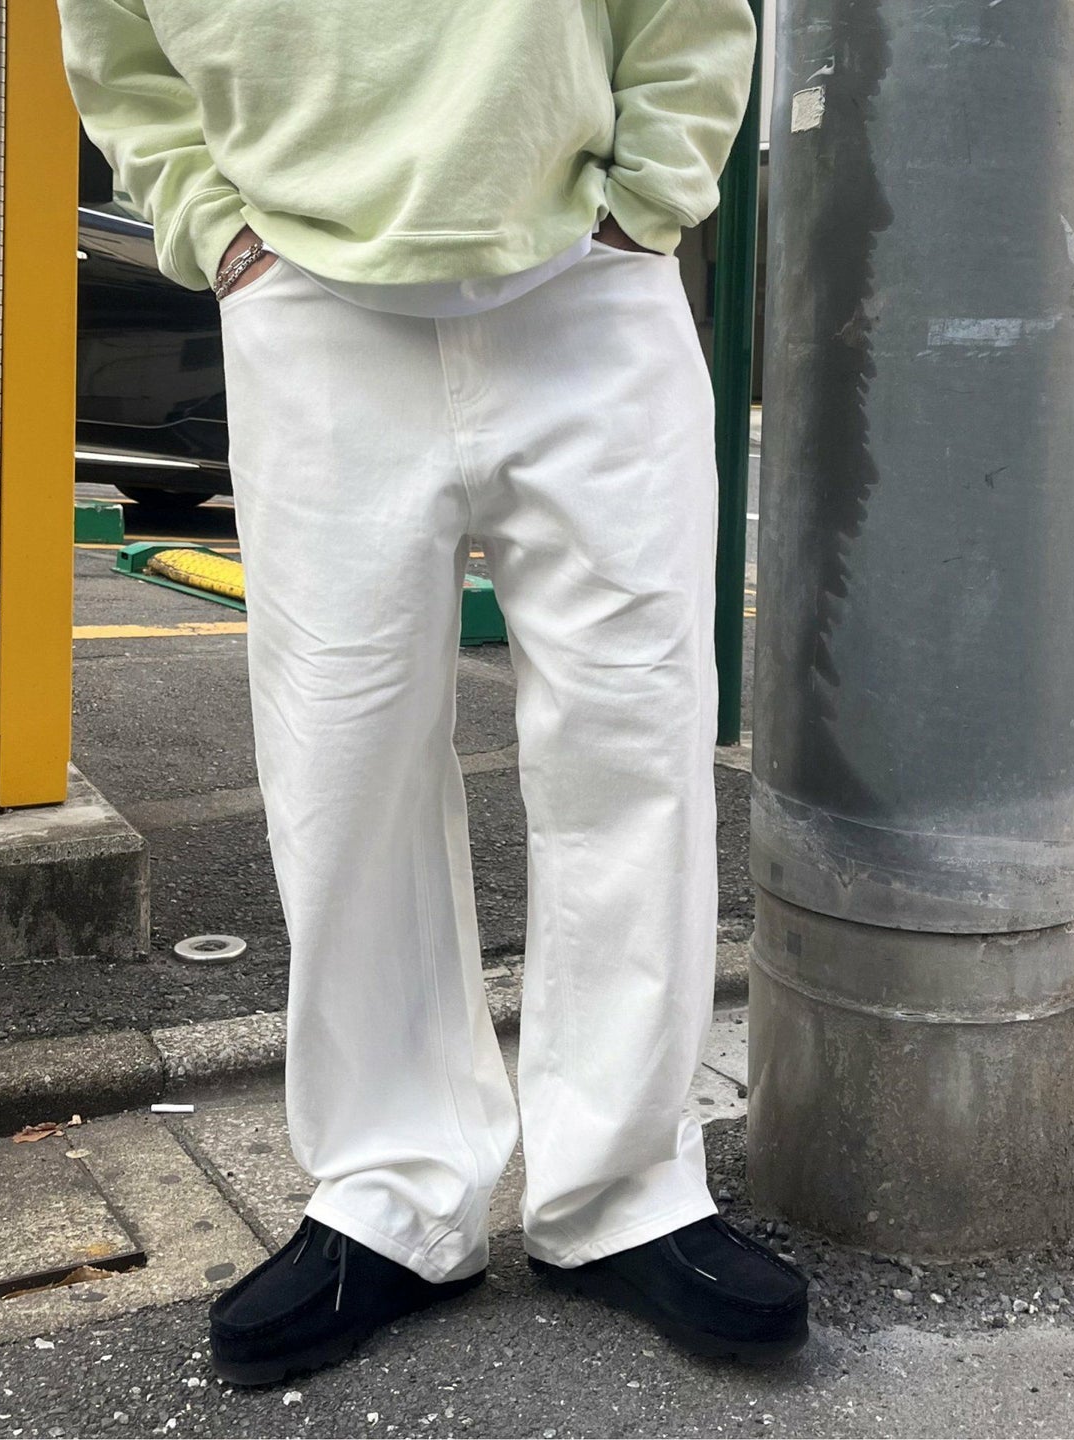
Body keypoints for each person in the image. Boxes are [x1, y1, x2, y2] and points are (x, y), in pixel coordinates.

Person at [57, 0, 810, 1386]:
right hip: (304, 291)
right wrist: (216, 229)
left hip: (586, 280)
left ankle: (623, 1189)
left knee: (634, 739)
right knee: (341, 760)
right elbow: (115, 42)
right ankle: (392, 1190)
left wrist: (648, 199)